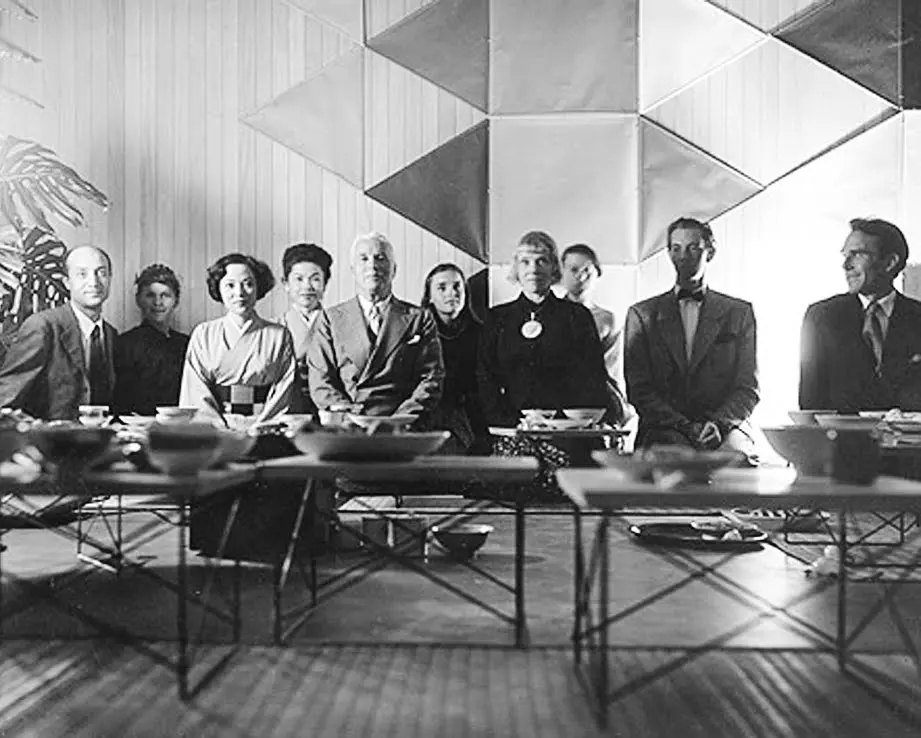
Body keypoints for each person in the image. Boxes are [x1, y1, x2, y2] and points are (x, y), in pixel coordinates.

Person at [477, 231, 611, 497]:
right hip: (512, 431)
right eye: (525, 262)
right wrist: (513, 423)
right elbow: (485, 379)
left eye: (541, 261)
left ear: (554, 268)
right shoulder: (497, 318)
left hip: (567, 433)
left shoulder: (577, 317)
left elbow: (593, 379)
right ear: (516, 268)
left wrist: (559, 422)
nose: (533, 269)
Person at [624, 217, 758, 453]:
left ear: (710, 251)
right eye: (676, 249)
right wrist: (685, 427)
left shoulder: (739, 313)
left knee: (737, 460)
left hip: (724, 429)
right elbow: (639, 389)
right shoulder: (642, 315)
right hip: (664, 429)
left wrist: (718, 424)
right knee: (673, 460)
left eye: (693, 247)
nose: (684, 257)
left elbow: (748, 387)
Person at [307, 232, 443, 423]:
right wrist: (348, 417)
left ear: (394, 269)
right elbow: (320, 380)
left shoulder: (419, 318)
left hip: (402, 426)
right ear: (353, 270)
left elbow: (431, 378)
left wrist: (400, 420)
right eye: (364, 259)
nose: (372, 265)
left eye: (380, 258)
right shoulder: (330, 319)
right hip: (349, 426)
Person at [800, 218, 921, 412]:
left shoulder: (917, 318)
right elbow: (811, 401)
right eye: (845, 255)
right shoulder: (822, 317)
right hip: (842, 440)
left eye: (856, 254)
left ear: (889, 262)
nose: (846, 265)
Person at [0, 245, 116, 420]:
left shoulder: (110, 334)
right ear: (67, 282)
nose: (94, 282)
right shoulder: (43, 326)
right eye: (82, 274)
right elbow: (5, 401)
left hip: (97, 441)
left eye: (101, 273)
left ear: (109, 278)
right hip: (47, 442)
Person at [179, 253, 296, 425]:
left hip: (264, 425)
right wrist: (218, 427)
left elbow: (284, 389)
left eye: (248, 284)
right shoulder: (204, 334)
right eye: (230, 285)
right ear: (218, 288)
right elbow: (195, 390)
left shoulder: (279, 335)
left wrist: (262, 426)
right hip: (217, 428)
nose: (239, 293)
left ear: (258, 288)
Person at [421, 263, 488, 454]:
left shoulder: (481, 333)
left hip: (472, 420)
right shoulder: (418, 334)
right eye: (442, 288)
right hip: (431, 418)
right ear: (430, 297)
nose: (452, 293)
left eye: (457, 286)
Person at [560, 243, 629, 425]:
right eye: (573, 269)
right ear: (562, 273)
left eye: (587, 271)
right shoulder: (551, 315)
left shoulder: (607, 320)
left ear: (597, 274)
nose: (580, 277)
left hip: (594, 405)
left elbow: (613, 371)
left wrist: (619, 410)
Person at [111, 263, 189, 417]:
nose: (158, 303)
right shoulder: (125, 344)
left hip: (180, 426)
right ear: (139, 300)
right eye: (150, 295)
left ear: (176, 301)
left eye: (165, 295)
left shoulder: (187, 344)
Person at [276, 243, 333, 416]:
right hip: (287, 409)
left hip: (328, 410)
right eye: (299, 279)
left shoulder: (338, 325)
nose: (307, 287)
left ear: (325, 283)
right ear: (285, 283)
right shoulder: (275, 327)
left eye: (315, 279)